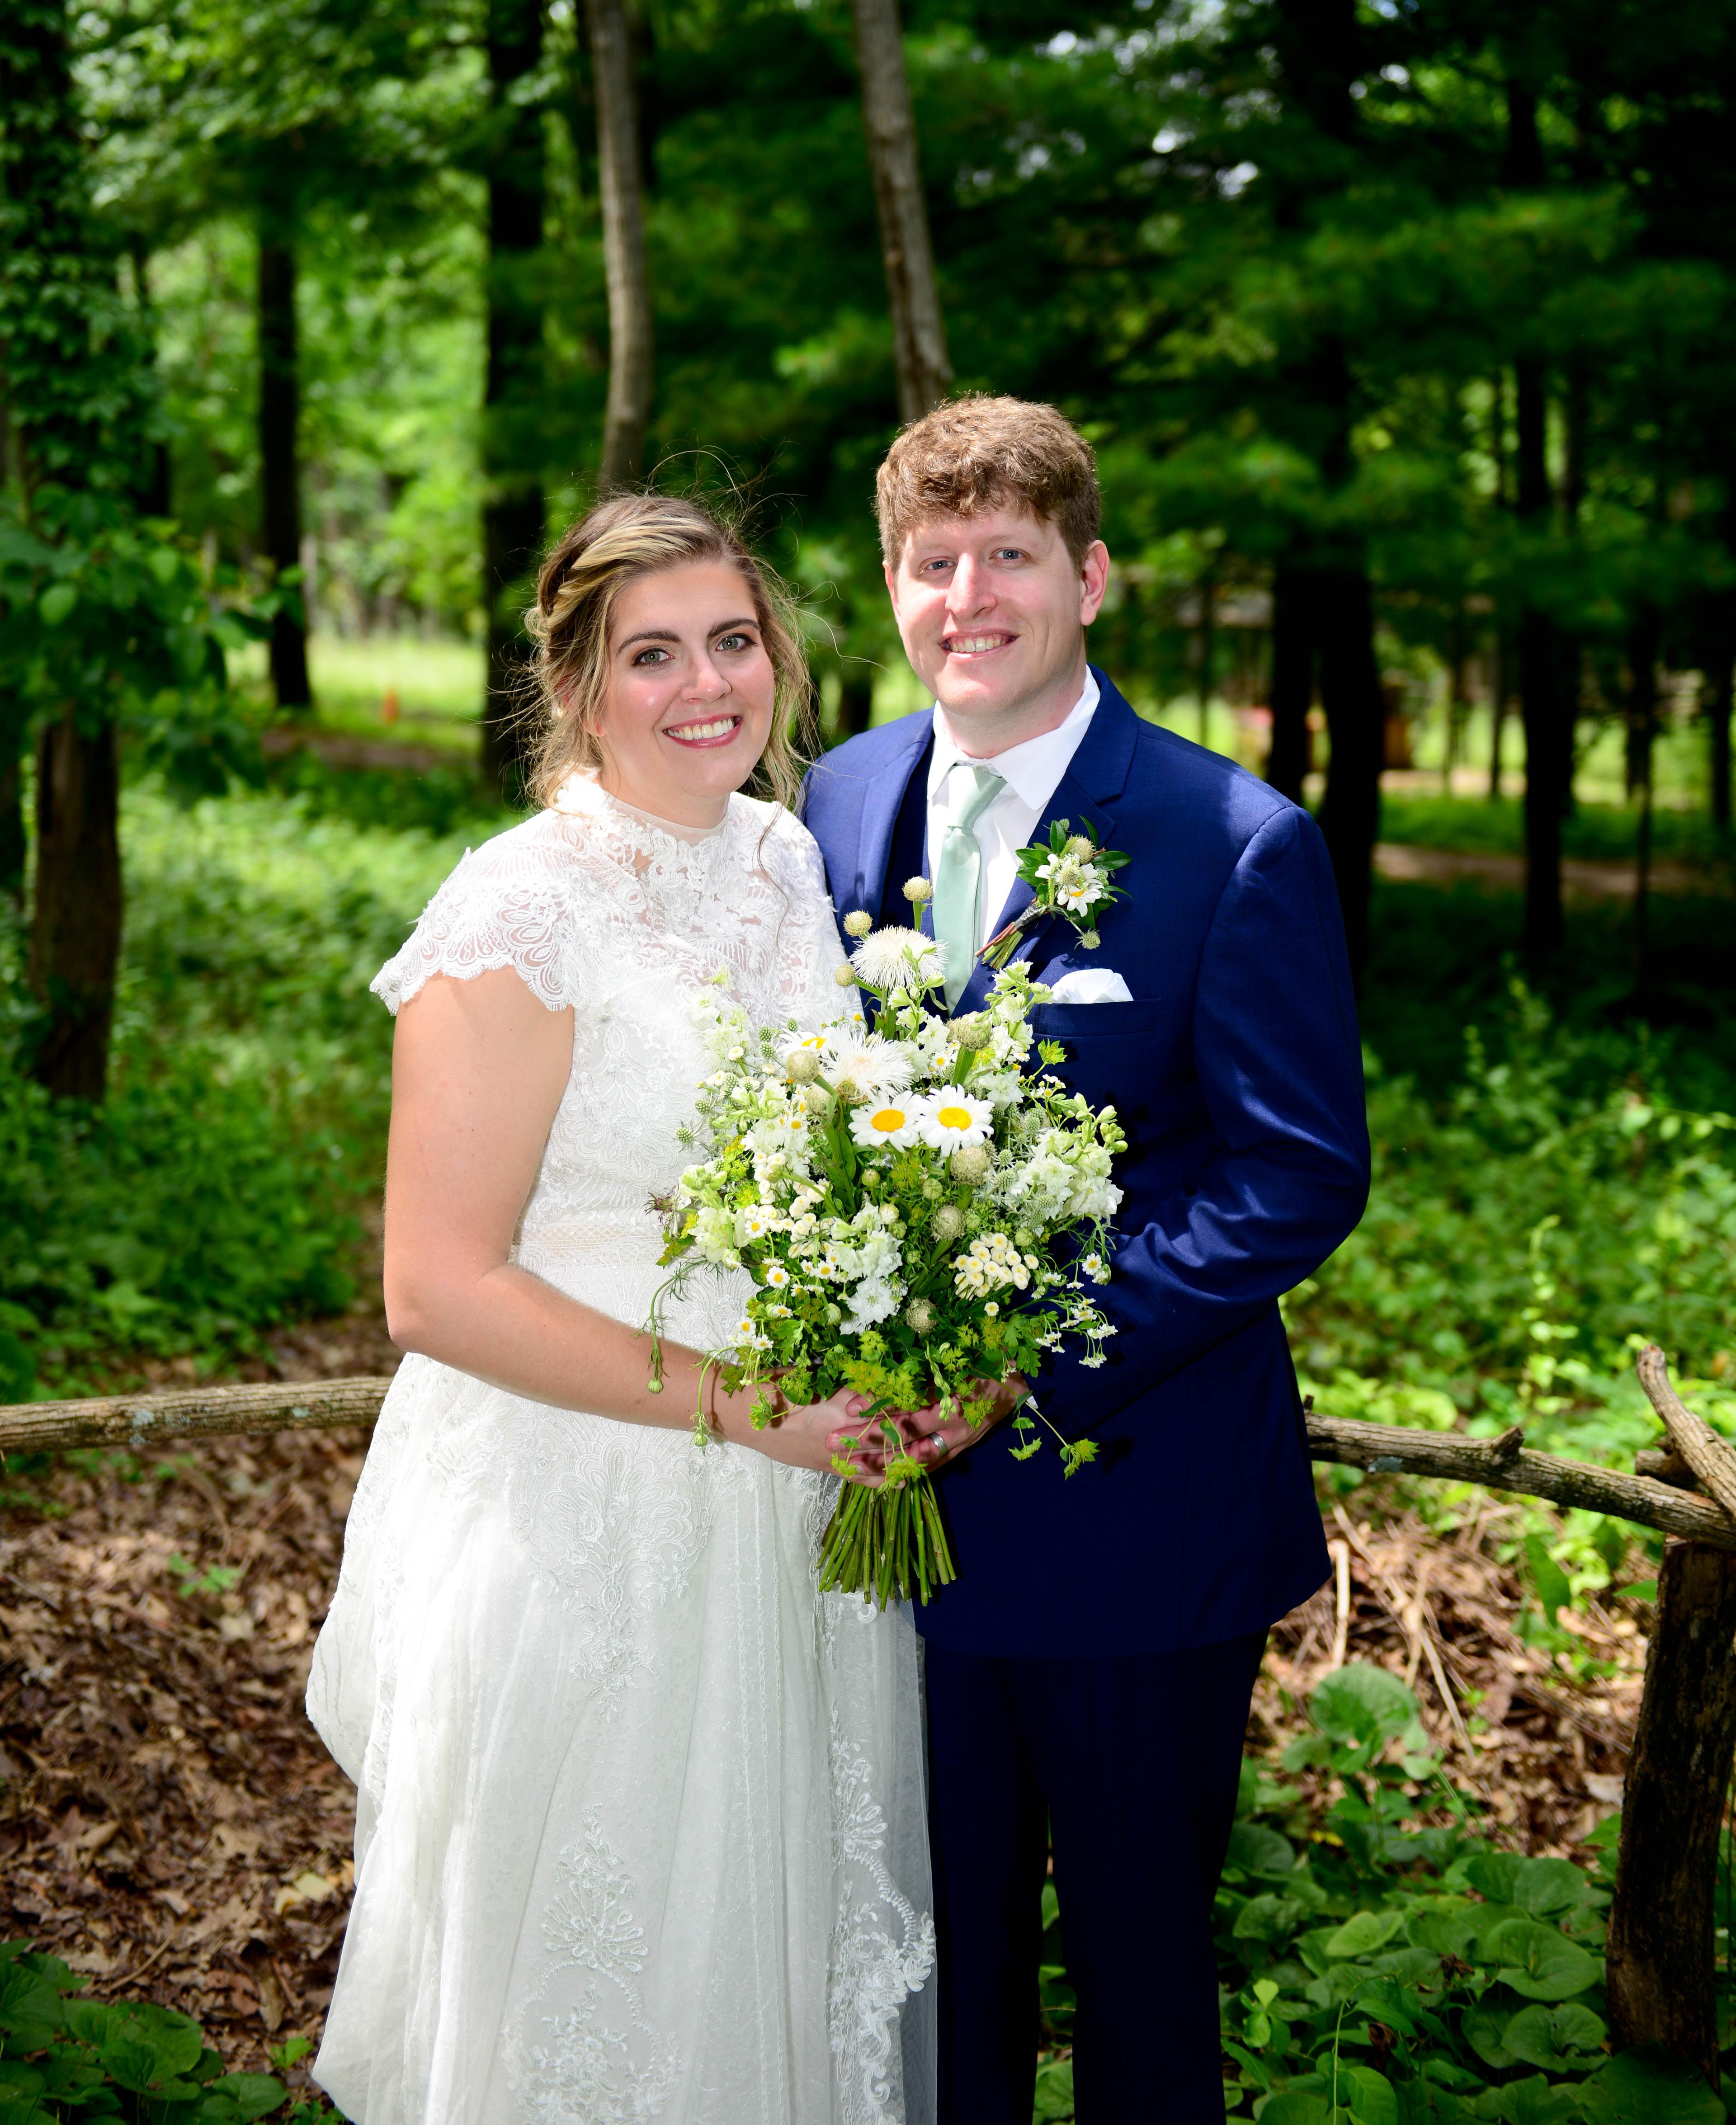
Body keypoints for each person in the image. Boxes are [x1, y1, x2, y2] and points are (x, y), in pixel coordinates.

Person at [307, 494, 935, 2125]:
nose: (707, 684)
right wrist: (753, 1408)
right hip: (589, 1502)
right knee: (600, 1969)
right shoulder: (516, 909)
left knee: (761, 1954)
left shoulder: (786, 860)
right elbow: (434, 1283)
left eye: (734, 640)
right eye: (653, 655)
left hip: (786, 1509)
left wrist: (909, 1339)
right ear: (578, 688)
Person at [801, 398, 1370, 2125]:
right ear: (893, 587)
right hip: (889, 1529)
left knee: (1138, 1983)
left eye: (1012, 555)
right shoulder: (834, 796)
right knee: (929, 1979)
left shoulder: (1231, 837)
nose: (970, 596)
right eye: (934, 561)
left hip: (1139, 1520)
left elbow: (1297, 1175)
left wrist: (1028, 1352)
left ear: (1092, 577)